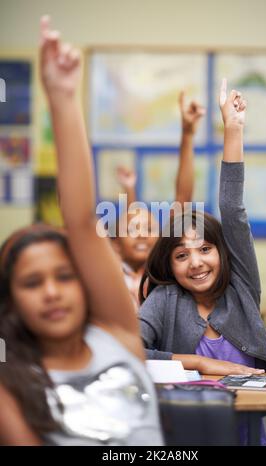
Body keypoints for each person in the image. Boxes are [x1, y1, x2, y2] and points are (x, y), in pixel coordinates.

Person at [0, 16, 163, 446]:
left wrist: (63, 97)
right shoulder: (10, 383)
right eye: (32, 283)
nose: (52, 291)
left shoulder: (117, 332)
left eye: (64, 275)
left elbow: (80, 223)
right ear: (12, 300)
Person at [138, 78, 266, 378]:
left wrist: (233, 128)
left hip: (246, 422)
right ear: (169, 263)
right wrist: (201, 363)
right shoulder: (165, 300)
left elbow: (232, 209)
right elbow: (130, 349)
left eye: (205, 249)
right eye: (181, 255)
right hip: (185, 422)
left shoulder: (241, 287)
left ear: (223, 253)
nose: (196, 263)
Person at [114, 92, 206, 307]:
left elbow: (182, 199)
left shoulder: (163, 273)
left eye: (150, 229)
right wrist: (129, 191)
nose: (142, 236)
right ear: (115, 245)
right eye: (132, 231)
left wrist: (187, 134)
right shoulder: (107, 272)